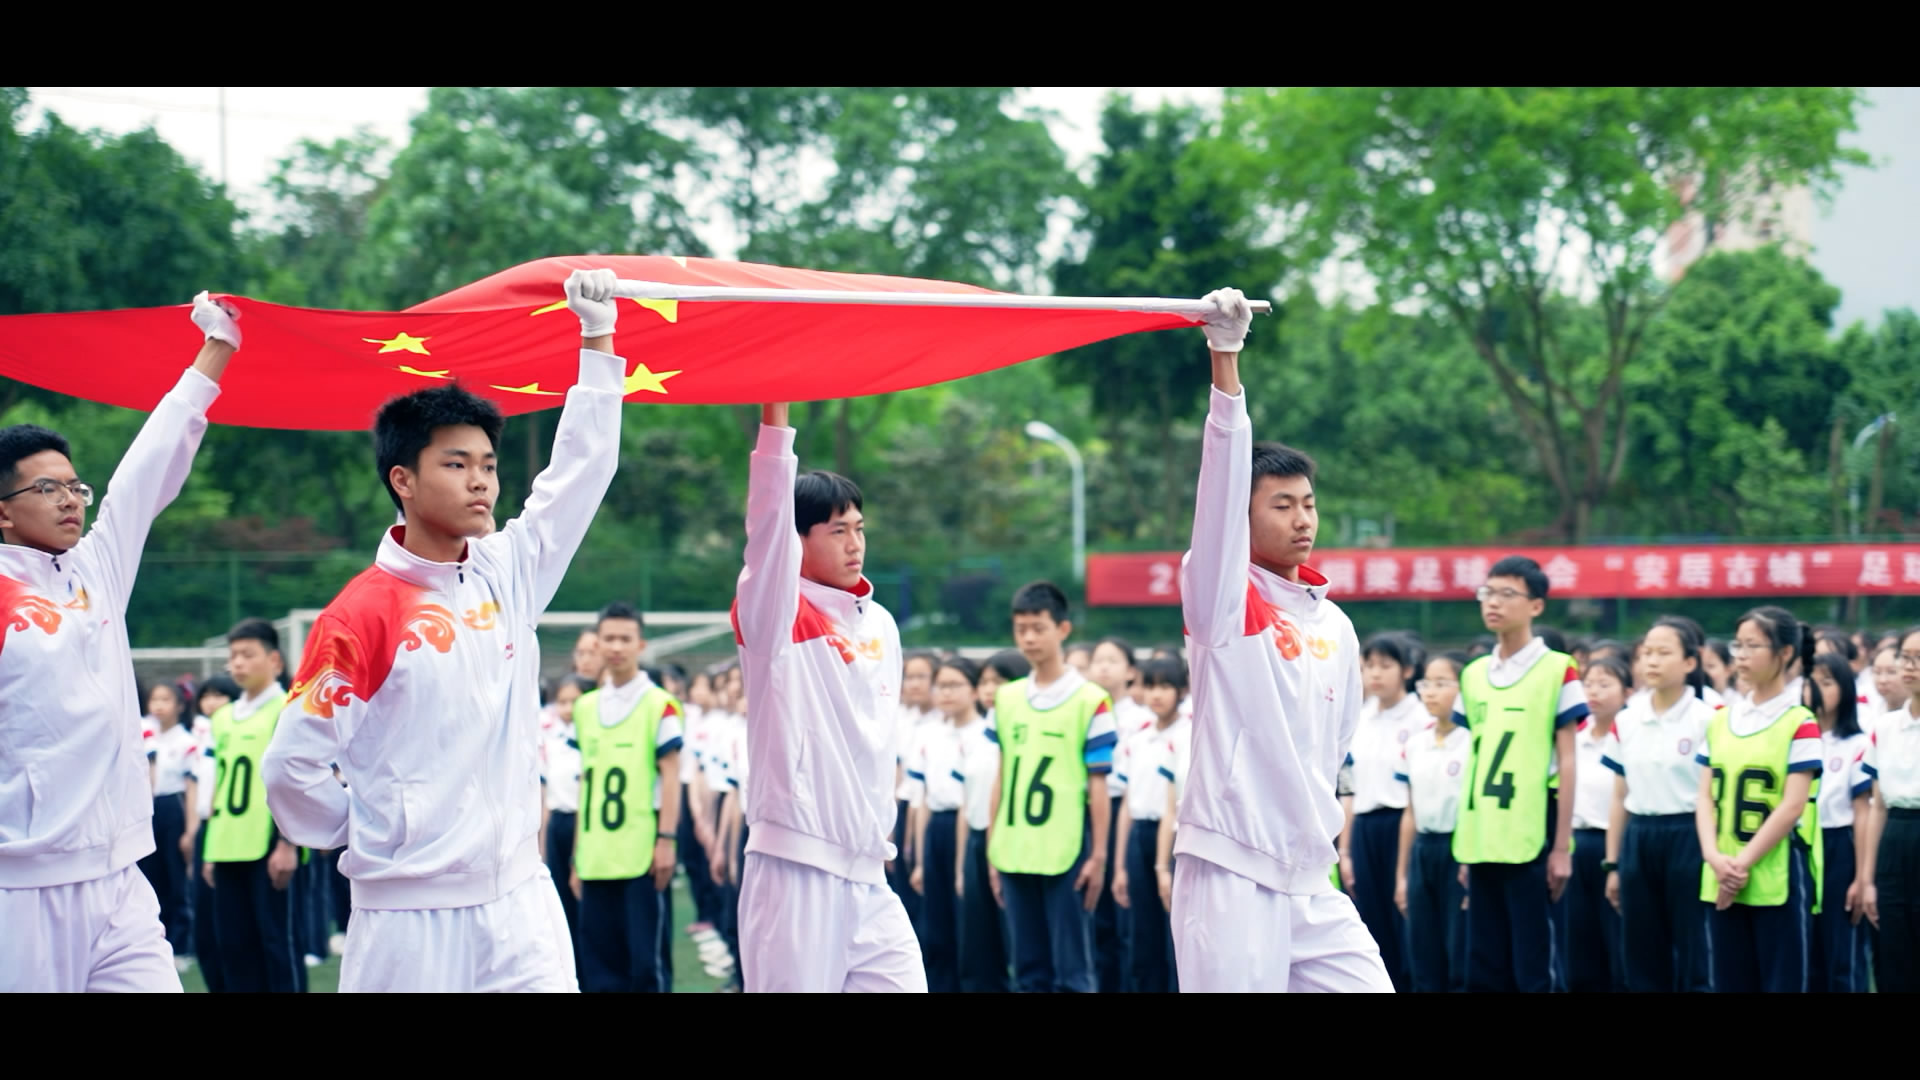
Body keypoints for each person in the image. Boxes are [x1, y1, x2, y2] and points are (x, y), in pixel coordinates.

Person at [262, 269, 627, 993]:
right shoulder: (362, 613)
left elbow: (583, 472)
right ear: (403, 479)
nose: (481, 482)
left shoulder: (508, 570)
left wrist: (597, 340)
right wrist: (381, 831)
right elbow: (290, 769)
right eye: (456, 465)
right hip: (409, 917)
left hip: (522, 900)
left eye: (488, 465)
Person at [0, 294, 242, 993]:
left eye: (75, 485)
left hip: (117, 875)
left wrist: (215, 352)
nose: (72, 499)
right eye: (48, 489)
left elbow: (147, 468)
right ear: (5, 513)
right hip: (21, 886)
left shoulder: (99, 567)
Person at [1171, 287, 1390, 994]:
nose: (1303, 520)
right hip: (1232, 867)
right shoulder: (1223, 598)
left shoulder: (1335, 624)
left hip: (1309, 873)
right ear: (1243, 516)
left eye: (1309, 504)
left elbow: (1335, 742)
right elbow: (1219, 480)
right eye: (1282, 505)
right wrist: (1225, 360)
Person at [730, 400, 924, 993]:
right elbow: (765, 532)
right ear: (796, 540)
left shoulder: (882, 626)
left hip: (869, 874)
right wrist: (776, 419)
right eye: (836, 530)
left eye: (859, 528)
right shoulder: (775, 614)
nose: (854, 542)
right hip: (795, 868)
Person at [1452, 555, 1587, 994]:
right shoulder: (1473, 675)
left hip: (1534, 832)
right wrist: (1465, 844)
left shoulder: (1557, 668)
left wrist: (1562, 847)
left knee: (1534, 965)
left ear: (1536, 606)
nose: (1492, 603)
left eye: (1507, 594)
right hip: (1481, 835)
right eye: (1486, 593)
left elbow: (1567, 761)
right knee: (1482, 963)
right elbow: (1474, 757)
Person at [986, 581, 1116, 994]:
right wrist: (993, 847)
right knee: (1027, 971)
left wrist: (1098, 854)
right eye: (1020, 627)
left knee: (1072, 971)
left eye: (1037, 627)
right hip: (1013, 849)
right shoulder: (1006, 699)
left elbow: (1099, 784)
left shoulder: (1090, 700)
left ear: (1062, 629)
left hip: (1066, 850)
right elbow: (1001, 777)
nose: (1027, 637)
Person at [1696, 606, 1823, 993]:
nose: (1742, 655)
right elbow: (1703, 795)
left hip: (1776, 874)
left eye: (1754, 646)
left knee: (1780, 981)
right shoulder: (1720, 719)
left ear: (1785, 653)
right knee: (1729, 981)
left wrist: (1740, 865)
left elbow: (1792, 806)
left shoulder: (1799, 721)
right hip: (1719, 871)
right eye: (1738, 645)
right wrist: (1715, 859)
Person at [567, 603, 683, 993]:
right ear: (597, 644)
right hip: (595, 857)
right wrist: (577, 857)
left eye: (625, 639)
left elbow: (671, 776)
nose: (616, 646)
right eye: (609, 638)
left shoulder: (659, 704)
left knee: (645, 969)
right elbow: (587, 783)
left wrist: (666, 841)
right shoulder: (584, 708)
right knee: (598, 969)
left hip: (641, 856)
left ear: (641, 645)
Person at [1601, 622, 1712, 993]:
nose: (1652, 660)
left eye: (1664, 653)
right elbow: (1619, 796)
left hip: (1690, 836)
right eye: (1647, 652)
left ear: (1689, 662)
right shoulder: (1627, 719)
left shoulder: (1708, 719)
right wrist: (1614, 863)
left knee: (1694, 944)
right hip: (1639, 837)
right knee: (1642, 949)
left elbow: (1714, 796)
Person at [200, 619, 302, 993]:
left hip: (269, 847)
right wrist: (210, 849)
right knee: (234, 949)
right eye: (233, 656)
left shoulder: (288, 708)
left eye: (248, 654)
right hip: (226, 845)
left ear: (274, 660)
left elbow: (293, 782)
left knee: (277, 947)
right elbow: (220, 786)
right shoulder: (223, 717)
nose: (238, 663)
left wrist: (287, 844)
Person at [1342, 631, 1426, 992]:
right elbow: (1349, 788)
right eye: (1369, 666)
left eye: (1385, 665)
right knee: (1370, 922)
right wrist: (1344, 850)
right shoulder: (1359, 718)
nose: (1375, 674)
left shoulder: (1420, 717)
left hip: (1404, 825)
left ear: (1406, 670)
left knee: (1406, 918)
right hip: (1364, 827)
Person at [1393, 651, 1472, 993]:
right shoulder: (1415, 744)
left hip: (1460, 848)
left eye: (1442, 684)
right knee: (1423, 949)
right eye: (1426, 683)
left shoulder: (1473, 741)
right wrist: (1401, 876)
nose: (1430, 692)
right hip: (1424, 850)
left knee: (1460, 948)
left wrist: (1469, 859)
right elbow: (1410, 813)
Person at [1111, 655, 1188, 993]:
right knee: (1141, 935)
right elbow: (1128, 803)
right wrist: (1119, 867)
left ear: (1181, 690)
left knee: (1174, 934)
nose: (1156, 695)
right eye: (1150, 686)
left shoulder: (1190, 734)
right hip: (1139, 836)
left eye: (1165, 687)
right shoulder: (1137, 738)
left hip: (1172, 838)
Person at [906, 656, 981, 993]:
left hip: (967, 829)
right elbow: (921, 801)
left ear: (975, 690)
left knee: (967, 926)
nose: (946, 693)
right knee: (934, 927)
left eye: (955, 685)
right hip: (936, 829)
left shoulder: (984, 735)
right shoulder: (930, 735)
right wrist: (921, 860)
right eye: (942, 686)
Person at [1804, 652, 1872, 993]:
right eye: (1811, 681)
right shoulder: (1796, 738)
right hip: (1800, 847)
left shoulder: (1857, 745)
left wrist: (1862, 877)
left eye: (1827, 682)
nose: (1816, 689)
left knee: (1840, 951)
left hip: (1837, 848)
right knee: (1804, 949)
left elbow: (1863, 811)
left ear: (1845, 691)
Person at [1086, 636, 1148, 992]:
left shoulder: (1141, 720)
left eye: (1112, 660)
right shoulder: (1087, 712)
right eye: (1098, 660)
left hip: (1122, 812)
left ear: (1130, 672)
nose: (1103, 667)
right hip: (1092, 811)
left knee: (1124, 913)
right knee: (1095, 917)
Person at [1861, 626, 1920, 993]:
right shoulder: (1886, 727)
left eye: (1919, 659)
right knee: (1895, 957)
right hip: (1895, 842)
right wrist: (1867, 879)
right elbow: (1877, 806)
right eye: (1906, 658)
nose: (1910, 667)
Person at [1565, 655, 1626, 992]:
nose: (1595, 692)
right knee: (1578, 945)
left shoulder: (1629, 735)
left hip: (1615, 845)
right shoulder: (1573, 738)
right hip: (1577, 845)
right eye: (1589, 683)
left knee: (1617, 944)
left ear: (1627, 691)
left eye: (1606, 684)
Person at [957, 655, 1014, 993]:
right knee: (978, 938)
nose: (990, 690)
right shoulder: (976, 736)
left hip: (1009, 839)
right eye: (986, 682)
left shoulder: (1019, 731)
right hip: (978, 838)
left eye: (1000, 681)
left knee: (1012, 937)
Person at [137, 681, 197, 966]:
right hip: (149, 809)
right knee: (151, 877)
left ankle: (182, 945)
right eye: (155, 699)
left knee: (176, 879)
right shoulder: (145, 736)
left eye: (166, 699)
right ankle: (155, 943)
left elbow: (190, 787)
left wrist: (189, 830)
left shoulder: (185, 741)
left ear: (180, 706)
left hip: (174, 807)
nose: (159, 705)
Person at [185, 674, 238, 989]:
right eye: (206, 696)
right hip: (206, 828)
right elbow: (194, 785)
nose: (211, 702)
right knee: (204, 924)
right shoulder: (202, 735)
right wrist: (191, 832)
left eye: (219, 695)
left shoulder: (235, 733)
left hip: (231, 830)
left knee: (228, 921)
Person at [541, 673, 595, 971]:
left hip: (583, 824)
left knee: (583, 902)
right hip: (558, 824)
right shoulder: (552, 739)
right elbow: (546, 790)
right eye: (562, 701)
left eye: (574, 701)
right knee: (559, 899)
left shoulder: (592, 738)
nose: (568, 708)